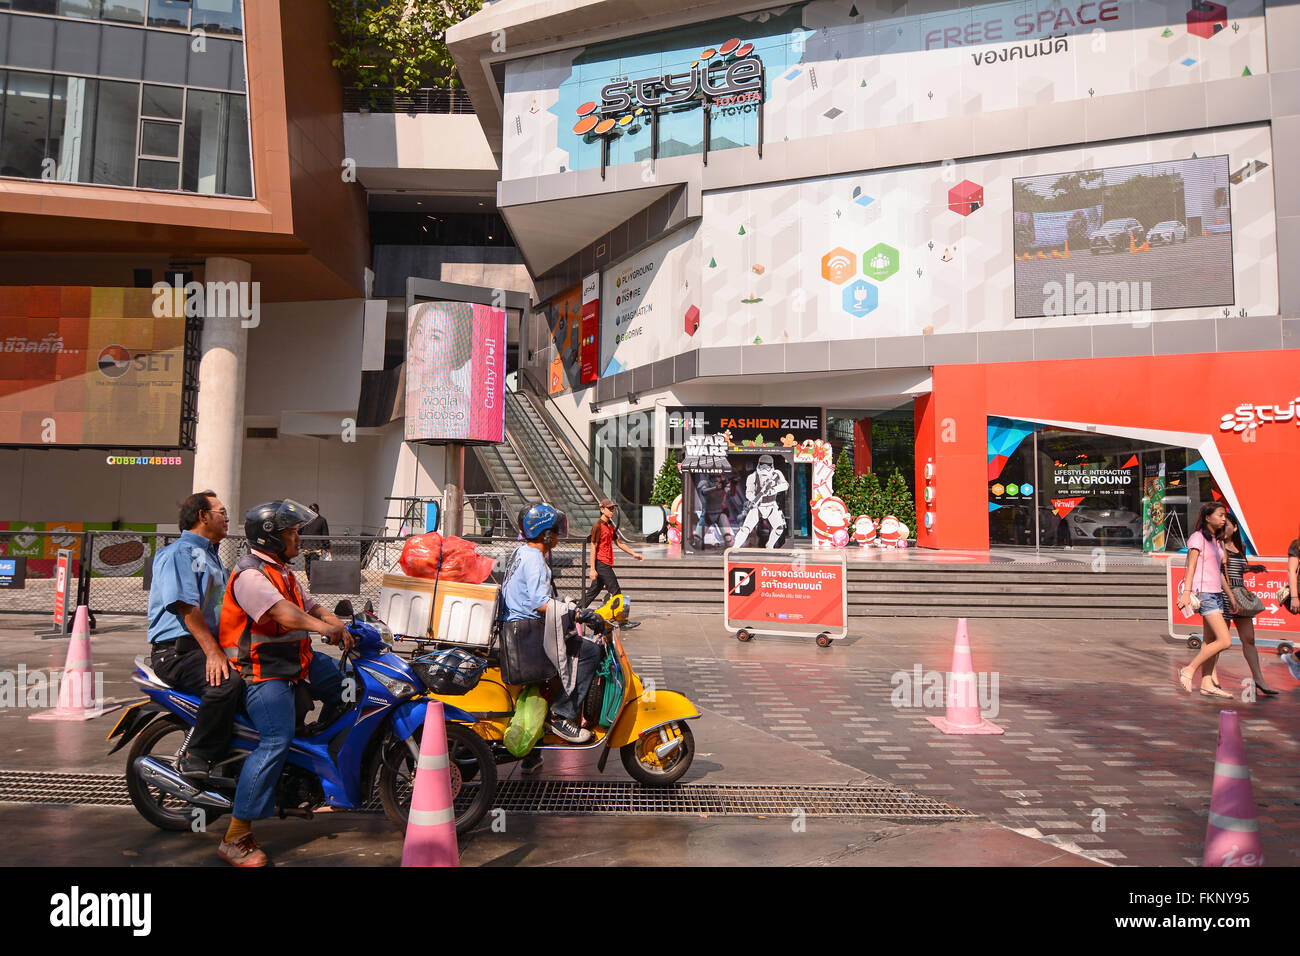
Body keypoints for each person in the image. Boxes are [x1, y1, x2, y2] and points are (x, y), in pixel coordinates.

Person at [215, 499, 353, 867]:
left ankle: (318, 767)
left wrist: (340, 623)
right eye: (292, 533)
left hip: (297, 665)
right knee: (276, 739)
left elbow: (309, 606)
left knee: (351, 686)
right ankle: (236, 835)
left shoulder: (284, 571)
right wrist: (325, 628)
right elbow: (283, 614)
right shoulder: (250, 575)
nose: (299, 538)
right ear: (271, 538)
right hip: (263, 673)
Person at [145, 490, 239, 782]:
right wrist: (214, 653)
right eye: (221, 512)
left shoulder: (211, 558)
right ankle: (196, 755)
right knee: (226, 683)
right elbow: (186, 607)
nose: (227, 518)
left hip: (201, 647)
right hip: (177, 653)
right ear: (203, 516)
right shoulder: (178, 554)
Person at [501, 503, 600, 746]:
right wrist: (575, 613)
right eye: (555, 531)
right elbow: (539, 603)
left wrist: (567, 605)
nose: (557, 535)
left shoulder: (521, 552)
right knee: (590, 651)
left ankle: (534, 752)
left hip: (519, 631)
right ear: (545, 533)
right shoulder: (534, 559)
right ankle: (562, 716)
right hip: (529, 636)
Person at [1177, 502, 1235, 698]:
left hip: (1217, 594)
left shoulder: (1217, 541)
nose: (1223, 518)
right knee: (1224, 640)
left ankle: (1207, 683)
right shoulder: (1198, 538)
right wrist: (1186, 592)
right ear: (1207, 517)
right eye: (1220, 515)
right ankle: (1189, 669)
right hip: (1204, 594)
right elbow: (1191, 567)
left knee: (1210, 640)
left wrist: (1230, 595)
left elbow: (1218, 573)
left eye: (1224, 515)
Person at [1219, 516, 1277, 696]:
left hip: (1241, 596)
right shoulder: (1218, 546)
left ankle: (1258, 678)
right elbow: (1219, 571)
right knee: (1220, 641)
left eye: (1226, 525)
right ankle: (1210, 678)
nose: (1222, 528)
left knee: (1249, 639)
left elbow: (1238, 568)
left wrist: (1252, 568)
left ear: (1235, 528)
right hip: (1224, 596)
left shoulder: (1240, 548)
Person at [581, 498, 644, 607]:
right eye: (609, 508)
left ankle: (575, 612)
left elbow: (618, 543)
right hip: (602, 563)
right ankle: (621, 621)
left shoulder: (610, 525)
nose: (612, 511)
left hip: (606, 562)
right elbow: (593, 546)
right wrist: (592, 569)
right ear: (602, 509)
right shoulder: (597, 526)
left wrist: (633, 553)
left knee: (593, 591)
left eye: (613, 509)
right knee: (616, 592)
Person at [733, 454, 788, 549]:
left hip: (771, 505)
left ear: (771, 466)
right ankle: (734, 547)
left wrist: (772, 490)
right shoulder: (752, 477)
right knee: (745, 529)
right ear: (759, 465)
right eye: (762, 466)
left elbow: (785, 485)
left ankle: (770, 546)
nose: (764, 469)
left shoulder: (776, 474)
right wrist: (755, 498)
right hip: (758, 507)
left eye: (767, 466)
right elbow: (748, 493)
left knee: (779, 528)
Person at [300, 502, 330, 576]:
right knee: (314, 563)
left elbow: (299, 532)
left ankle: (310, 579)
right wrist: (327, 547)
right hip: (317, 545)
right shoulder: (322, 520)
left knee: (308, 563)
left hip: (306, 545)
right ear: (318, 510)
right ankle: (313, 579)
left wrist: (300, 543)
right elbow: (325, 535)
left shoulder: (305, 520)